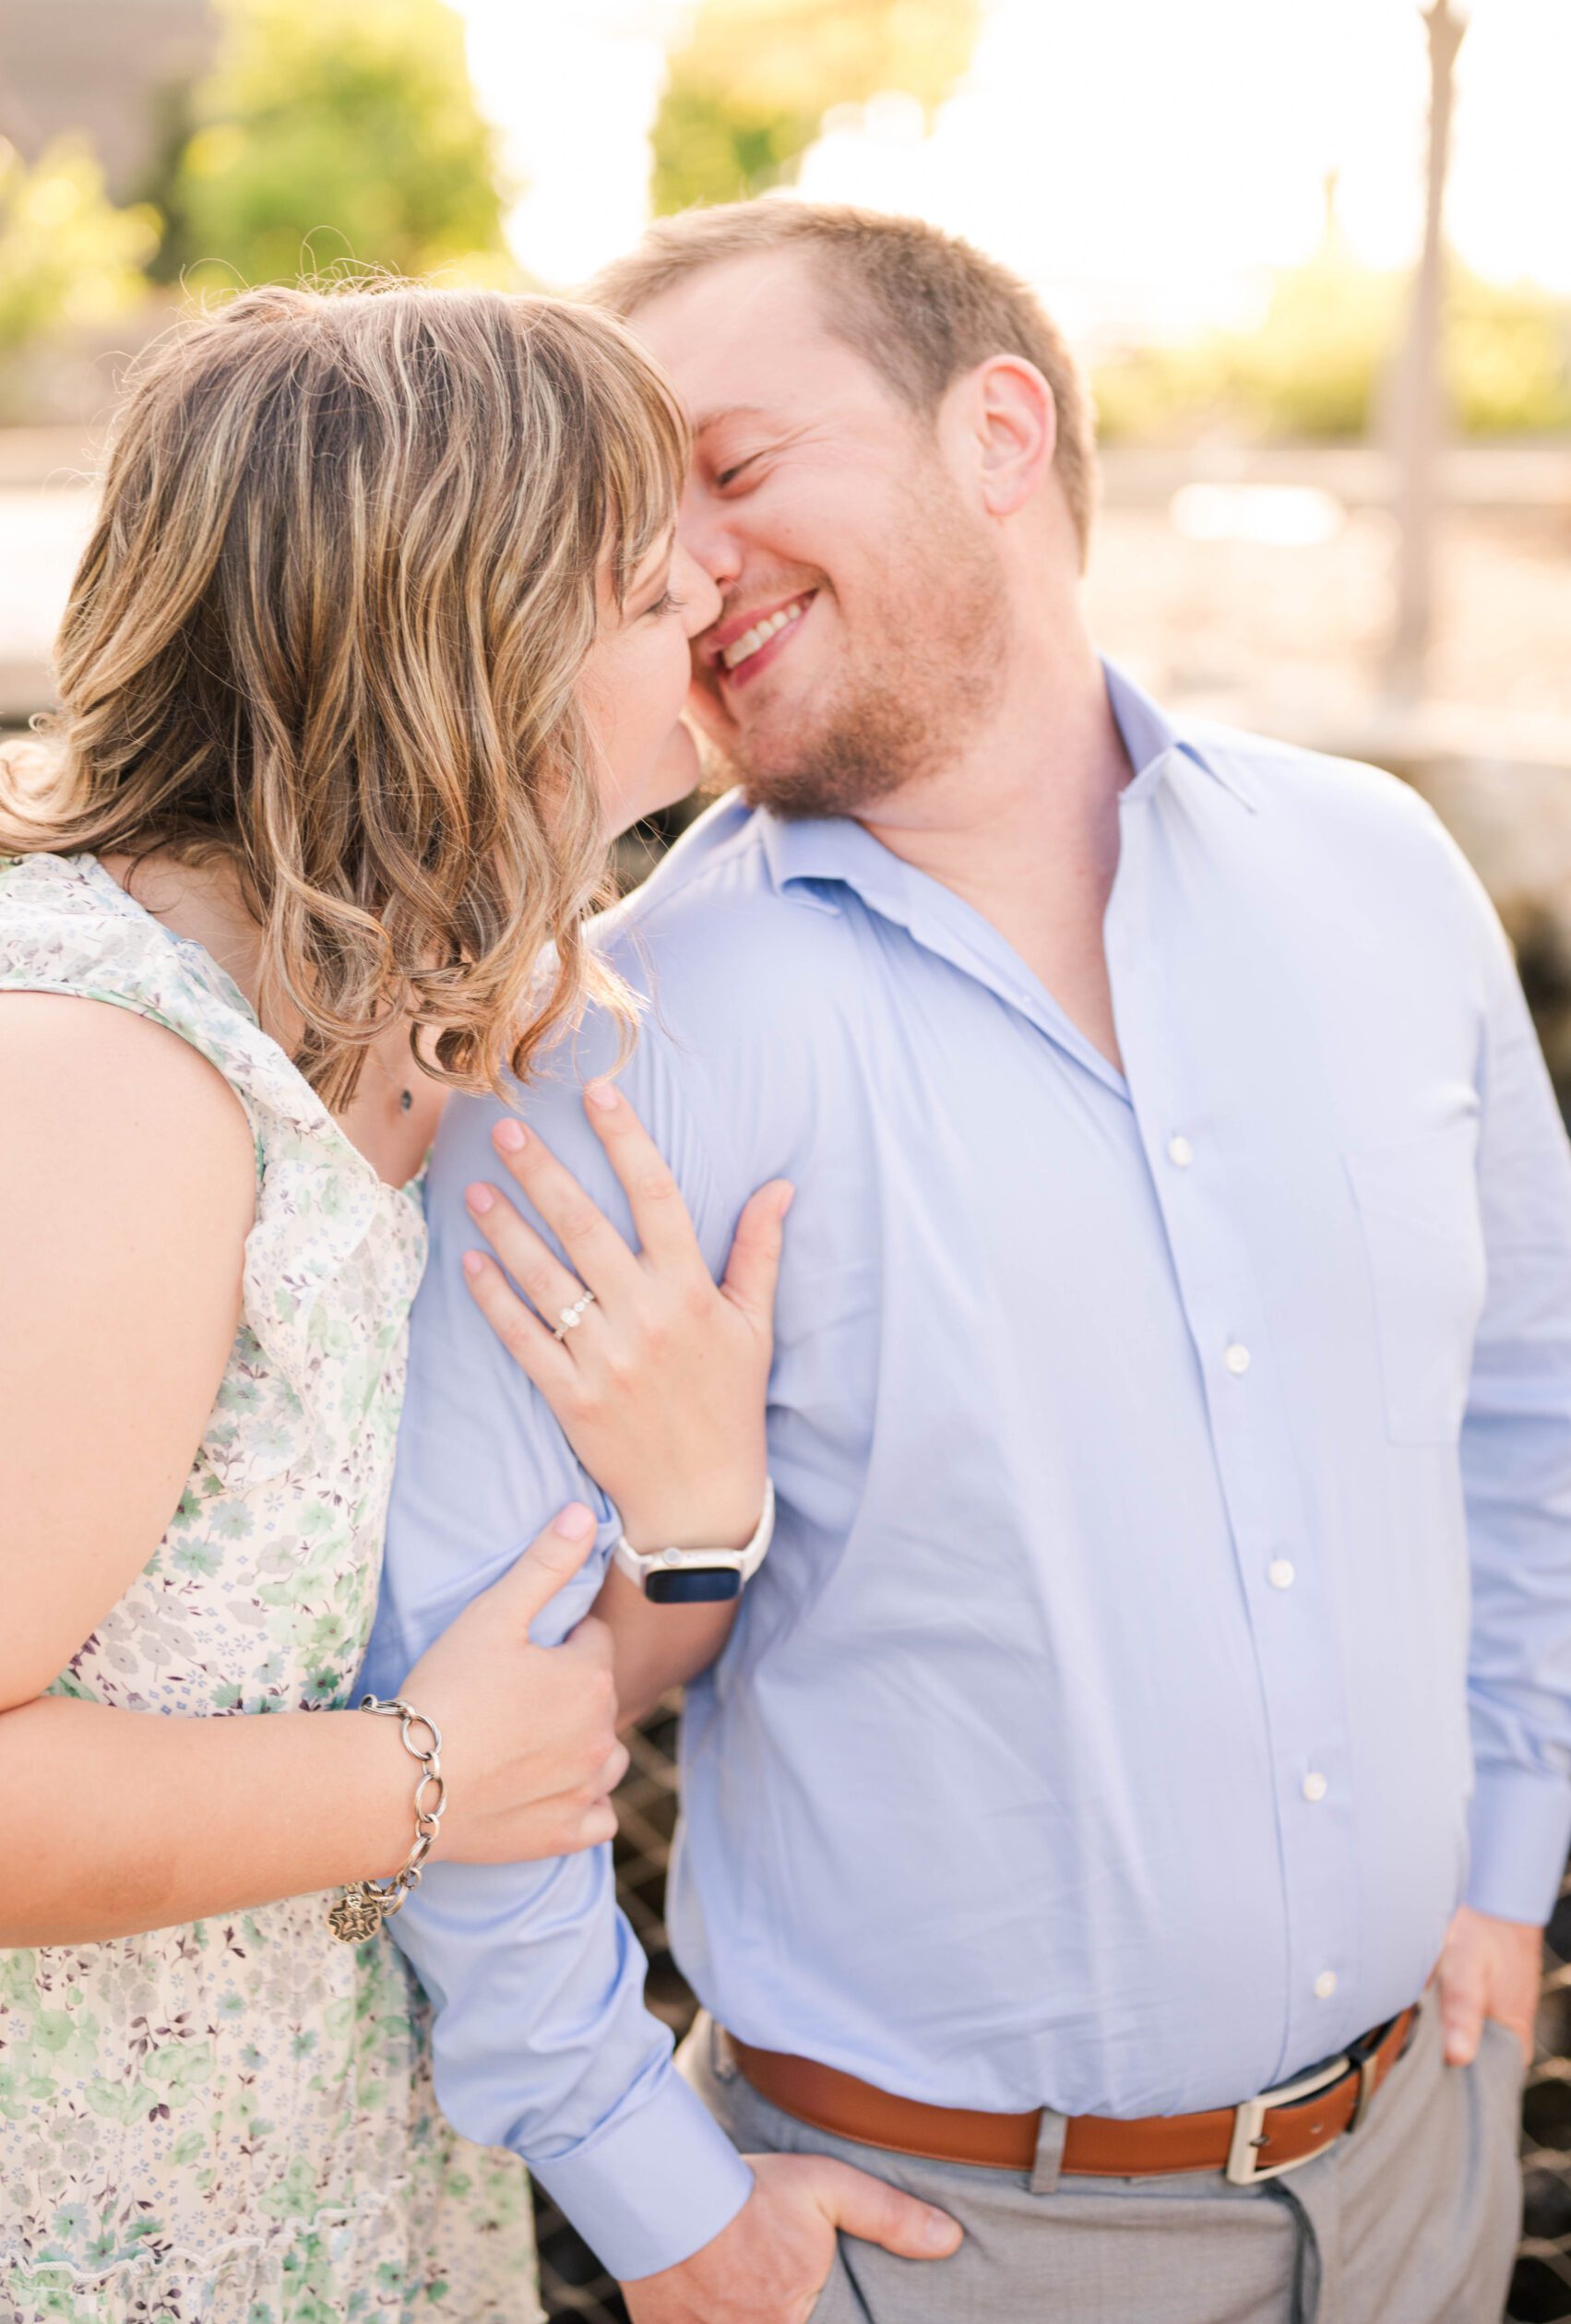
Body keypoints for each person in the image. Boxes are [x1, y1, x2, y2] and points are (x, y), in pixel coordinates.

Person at [367, 205, 1571, 2324]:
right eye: (636, 535)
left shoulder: (1383, 870)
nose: (687, 573)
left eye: (734, 470)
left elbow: (1529, 1409)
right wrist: (667, 2204)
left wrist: (1507, 1853)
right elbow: (462, 1697)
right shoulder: (612, 1050)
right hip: (931, 2245)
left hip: (1425, 2163)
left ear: (999, 430)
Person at [0, 280, 802, 2324]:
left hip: (329, 2179)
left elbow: (525, 1685)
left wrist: (696, 1506)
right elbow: (461, 1748)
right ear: (476, 665)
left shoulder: (430, 1038)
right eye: (643, 582)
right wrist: (410, 1785)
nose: (712, 581)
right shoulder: (106, 1079)